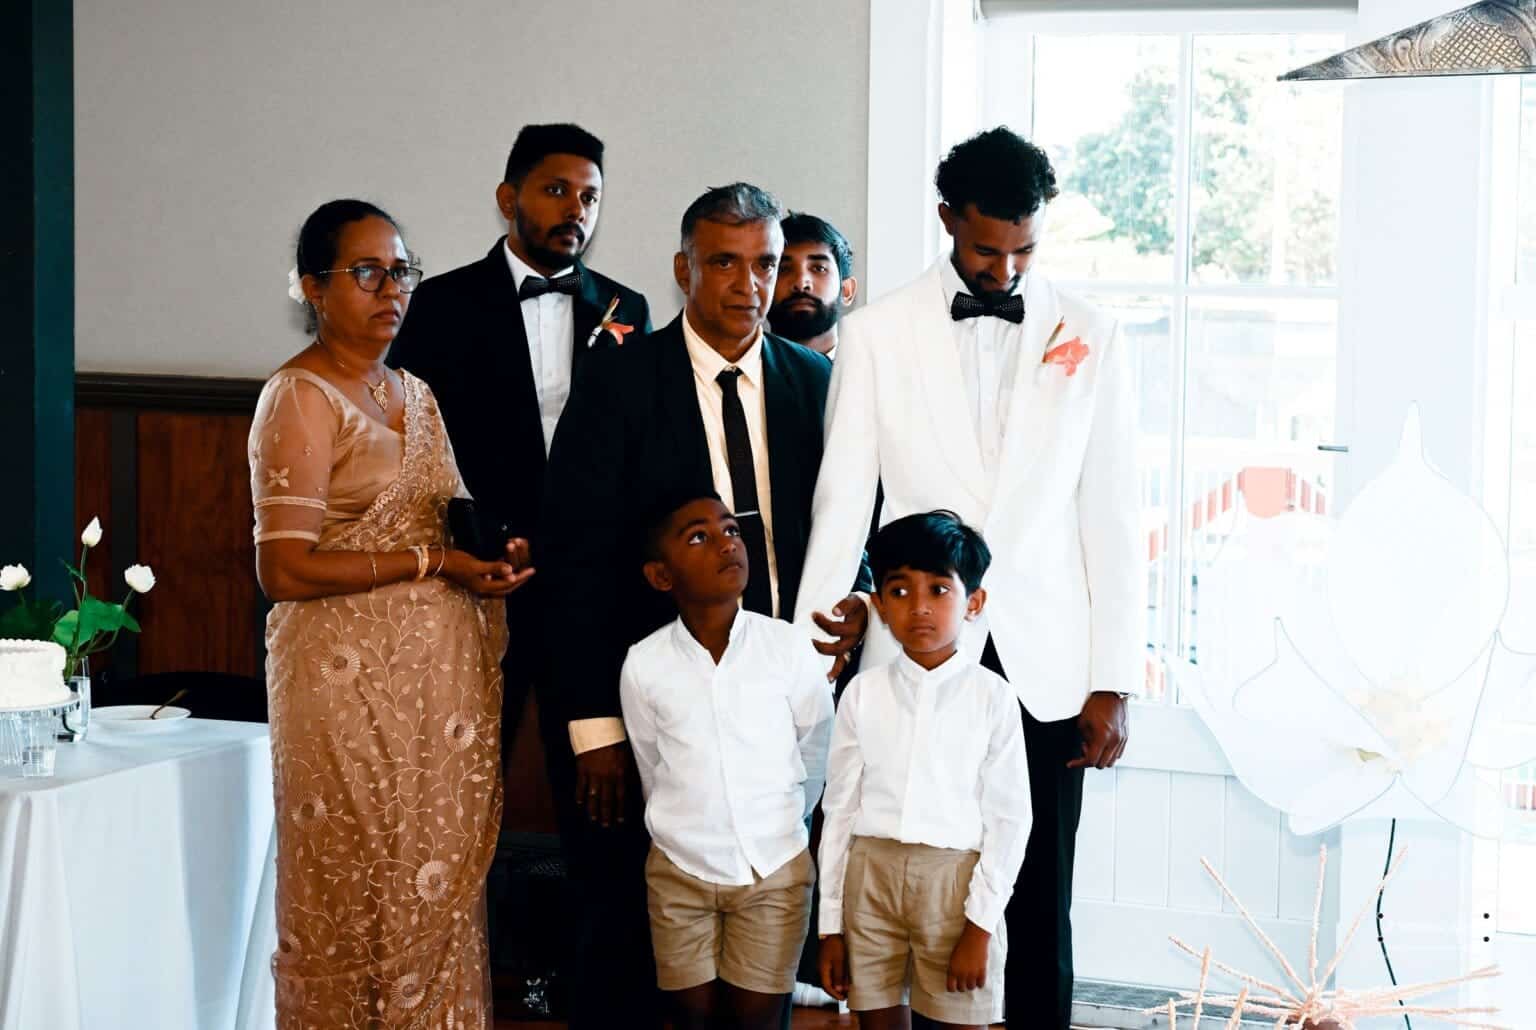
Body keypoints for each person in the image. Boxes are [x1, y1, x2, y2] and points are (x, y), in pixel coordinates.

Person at [794, 127, 1144, 1028]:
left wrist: (1115, 678)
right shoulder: (874, 335)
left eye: (1026, 248)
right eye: (987, 248)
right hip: (910, 653)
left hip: (1048, 668)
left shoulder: (1091, 334)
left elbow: (1111, 514)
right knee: (907, 891)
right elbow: (843, 503)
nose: (1007, 269)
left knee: (1036, 902)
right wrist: (812, 653)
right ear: (948, 219)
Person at [541, 182, 868, 1022]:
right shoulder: (618, 383)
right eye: (724, 262)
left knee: (765, 949)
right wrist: (593, 726)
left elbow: (852, 524)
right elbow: (575, 561)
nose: (749, 283)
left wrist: (861, 599)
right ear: (684, 269)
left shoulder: (816, 383)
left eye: (765, 262)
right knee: (629, 941)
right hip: (653, 706)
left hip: (781, 704)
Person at [386, 124, 651, 1027]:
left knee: (601, 804)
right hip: (473, 584)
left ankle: (599, 1000)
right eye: (554, 191)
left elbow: (633, 455)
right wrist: (484, 538)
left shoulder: (628, 308)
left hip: (592, 597)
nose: (572, 210)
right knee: (463, 795)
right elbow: (418, 445)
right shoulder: (443, 304)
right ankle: (454, 991)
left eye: (588, 196)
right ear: (508, 198)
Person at [251, 199, 534, 1028]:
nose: (391, 289)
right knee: (355, 884)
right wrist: (432, 563)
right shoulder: (299, 396)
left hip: (432, 693)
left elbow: (446, 516)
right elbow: (284, 568)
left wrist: (485, 565)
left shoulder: (416, 392)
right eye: (365, 272)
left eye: (401, 270)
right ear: (312, 286)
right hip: (340, 690)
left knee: (433, 885)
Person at [620, 492, 833, 1030]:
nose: (725, 543)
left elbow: (816, 748)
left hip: (774, 869)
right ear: (660, 576)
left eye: (731, 530)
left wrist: (783, 817)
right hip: (679, 872)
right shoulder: (645, 664)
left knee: (757, 1020)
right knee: (691, 1018)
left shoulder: (787, 649)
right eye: (699, 536)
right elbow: (652, 764)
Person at [818, 511, 1030, 1030]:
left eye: (939, 590)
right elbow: (839, 810)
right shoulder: (862, 695)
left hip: (955, 886)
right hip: (870, 878)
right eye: (899, 591)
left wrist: (980, 927)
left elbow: (1009, 820)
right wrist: (830, 928)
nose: (919, 608)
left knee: (961, 1021)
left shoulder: (993, 698)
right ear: (880, 607)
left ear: (973, 603)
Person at [767, 212, 858, 358]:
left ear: (847, 290)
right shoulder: (732, 373)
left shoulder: (876, 374)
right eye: (783, 269)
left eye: (819, 268)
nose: (801, 282)